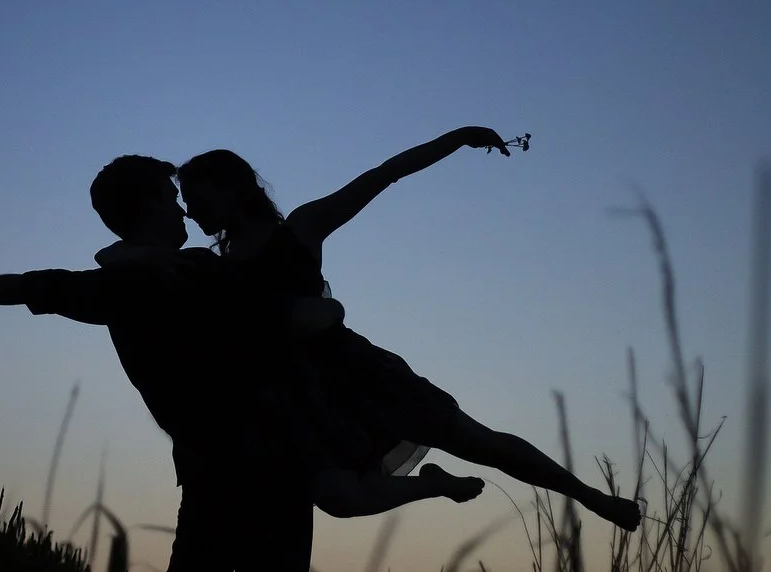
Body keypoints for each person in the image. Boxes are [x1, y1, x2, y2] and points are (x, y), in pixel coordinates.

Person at [0, 155, 479, 572]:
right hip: (252, 466)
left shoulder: (133, 280)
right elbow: (40, 287)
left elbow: (35, 287)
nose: (182, 209)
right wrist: (323, 313)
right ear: (148, 207)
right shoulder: (174, 275)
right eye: (170, 198)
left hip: (243, 465)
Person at [168, 127, 642, 533]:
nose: (190, 210)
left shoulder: (301, 228)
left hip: (355, 372)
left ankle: (589, 496)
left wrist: (459, 138)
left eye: (195, 197)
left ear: (230, 188)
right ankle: (434, 485)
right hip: (300, 399)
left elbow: (383, 175)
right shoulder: (213, 268)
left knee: (479, 442)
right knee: (339, 497)